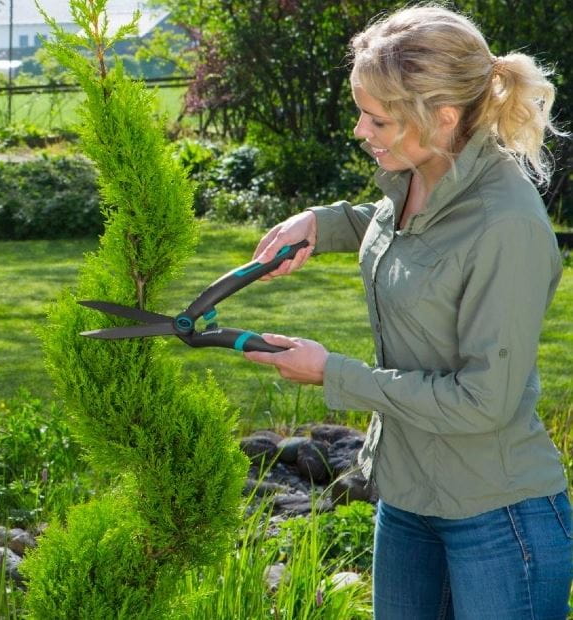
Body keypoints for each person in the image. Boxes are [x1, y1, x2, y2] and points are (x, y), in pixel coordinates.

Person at [243, 5, 572, 619]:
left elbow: (484, 401)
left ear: (442, 116)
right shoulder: (424, 176)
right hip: (409, 499)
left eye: (378, 119)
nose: (360, 131)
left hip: (496, 519)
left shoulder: (507, 225)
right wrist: (324, 222)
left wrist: (333, 374)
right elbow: (419, 242)